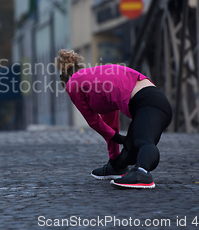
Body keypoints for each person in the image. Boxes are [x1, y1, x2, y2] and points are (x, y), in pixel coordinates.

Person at [55, 49, 172, 189]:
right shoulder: (96, 80)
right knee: (129, 151)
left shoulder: (72, 84)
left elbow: (93, 121)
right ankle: (116, 168)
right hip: (149, 102)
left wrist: (115, 136)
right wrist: (114, 157)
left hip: (148, 102)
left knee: (143, 142)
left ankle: (143, 173)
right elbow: (109, 123)